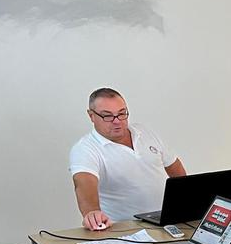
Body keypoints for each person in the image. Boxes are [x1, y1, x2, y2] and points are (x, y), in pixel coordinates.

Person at [69, 88, 186, 231]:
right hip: (125, 228)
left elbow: (174, 166)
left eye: (122, 113)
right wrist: (92, 212)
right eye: (107, 116)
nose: (117, 121)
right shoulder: (85, 149)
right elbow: (84, 183)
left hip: (167, 221)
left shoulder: (144, 132)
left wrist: (189, 198)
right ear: (91, 116)